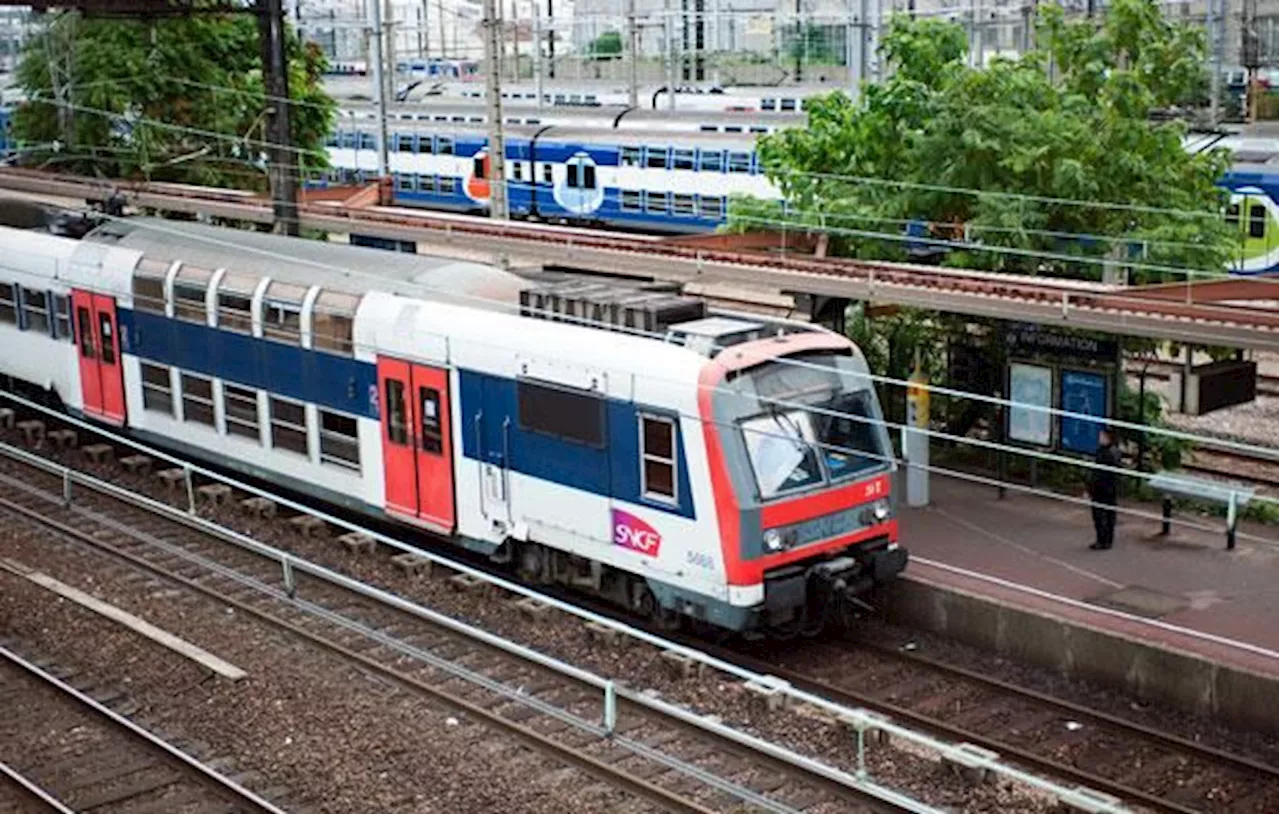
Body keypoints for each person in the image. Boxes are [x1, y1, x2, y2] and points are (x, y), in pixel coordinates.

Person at [1087, 427, 1121, 550]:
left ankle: (1102, 540)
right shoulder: (1115, 452)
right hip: (1111, 489)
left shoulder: (1104, 453)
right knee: (1109, 514)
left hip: (1102, 489)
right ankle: (1107, 540)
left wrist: (1092, 487)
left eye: (1102, 436)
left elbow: (1099, 474)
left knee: (1100, 515)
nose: (1099, 438)